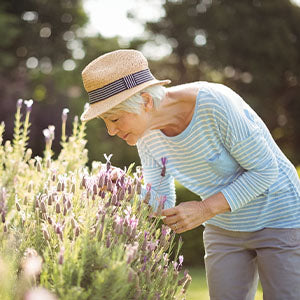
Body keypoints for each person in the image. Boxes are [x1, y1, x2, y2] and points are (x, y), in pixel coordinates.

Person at [81, 49, 300, 300]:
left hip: (279, 216)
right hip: (224, 227)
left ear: (146, 102)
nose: (110, 131)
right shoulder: (147, 136)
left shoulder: (214, 104)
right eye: (106, 122)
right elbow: (162, 201)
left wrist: (205, 209)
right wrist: (124, 188)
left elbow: (265, 170)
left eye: (115, 119)